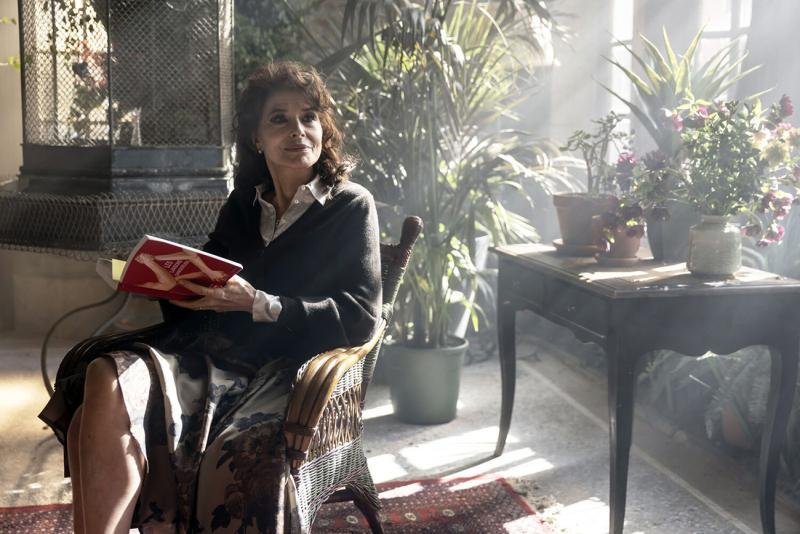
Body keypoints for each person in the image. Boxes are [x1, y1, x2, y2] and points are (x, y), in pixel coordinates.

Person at [39, 61, 382, 534]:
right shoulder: (244, 204)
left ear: (324, 127)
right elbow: (206, 288)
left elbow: (361, 317)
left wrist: (259, 302)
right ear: (257, 138)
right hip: (214, 355)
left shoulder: (351, 205)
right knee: (103, 374)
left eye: (308, 116)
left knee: (94, 420)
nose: (298, 130)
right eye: (279, 118)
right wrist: (154, 280)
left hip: (289, 372)